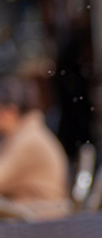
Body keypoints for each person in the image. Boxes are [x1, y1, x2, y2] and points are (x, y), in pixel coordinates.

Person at [0, 75, 71, 220]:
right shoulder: (26, 132)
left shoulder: (27, 140)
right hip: (32, 215)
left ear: (9, 112)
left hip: (39, 221)